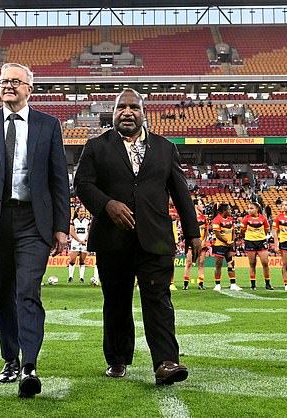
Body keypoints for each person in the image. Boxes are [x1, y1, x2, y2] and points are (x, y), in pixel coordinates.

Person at [74, 88, 200, 386]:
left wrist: (193, 232)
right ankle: (117, 359)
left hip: (155, 238)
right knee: (116, 301)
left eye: (133, 107)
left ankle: (166, 361)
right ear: (113, 112)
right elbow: (82, 183)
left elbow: (181, 193)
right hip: (111, 238)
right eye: (121, 107)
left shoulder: (165, 147)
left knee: (158, 298)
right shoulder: (96, 146)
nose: (127, 112)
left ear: (144, 113)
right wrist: (107, 205)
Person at [0, 62, 69, 398]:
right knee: (2, 295)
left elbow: (58, 179)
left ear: (29, 88)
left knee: (27, 292)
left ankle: (30, 365)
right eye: (3, 81)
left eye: (15, 81)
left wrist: (61, 227)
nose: (8, 86)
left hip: (34, 223)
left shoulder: (49, 125)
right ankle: (10, 358)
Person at [241, 202, 273, 290]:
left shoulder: (263, 219)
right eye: (248, 208)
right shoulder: (246, 219)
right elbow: (242, 231)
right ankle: (253, 285)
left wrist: (260, 236)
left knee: (265, 262)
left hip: (261, 241)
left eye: (251, 208)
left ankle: (267, 283)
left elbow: (266, 230)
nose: (249, 210)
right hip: (250, 242)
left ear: (257, 209)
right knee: (252, 264)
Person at [210, 203, 240, 291]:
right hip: (219, 246)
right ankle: (218, 284)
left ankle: (233, 284)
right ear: (224, 211)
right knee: (218, 265)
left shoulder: (230, 219)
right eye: (229, 209)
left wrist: (233, 241)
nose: (230, 211)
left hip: (229, 246)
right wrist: (227, 241)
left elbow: (233, 231)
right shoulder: (216, 220)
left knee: (231, 263)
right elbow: (217, 234)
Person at [182, 200, 208, 290]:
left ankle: (201, 284)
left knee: (201, 263)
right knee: (189, 263)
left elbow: (206, 230)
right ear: (196, 206)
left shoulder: (204, 218)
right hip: (191, 244)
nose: (203, 206)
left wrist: (204, 240)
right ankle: (185, 284)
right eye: (201, 204)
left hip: (202, 244)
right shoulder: (190, 217)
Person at [68, 205, 90, 284]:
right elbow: (72, 232)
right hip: (76, 242)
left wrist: (85, 240)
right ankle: (70, 276)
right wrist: (80, 241)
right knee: (72, 260)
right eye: (81, 211)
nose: (83, 212)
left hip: (84, 242)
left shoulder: (87, 221)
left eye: (83, 211)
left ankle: (81, 278)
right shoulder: (73, 221)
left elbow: (89, 231)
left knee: (82, 260)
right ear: (77, 212)